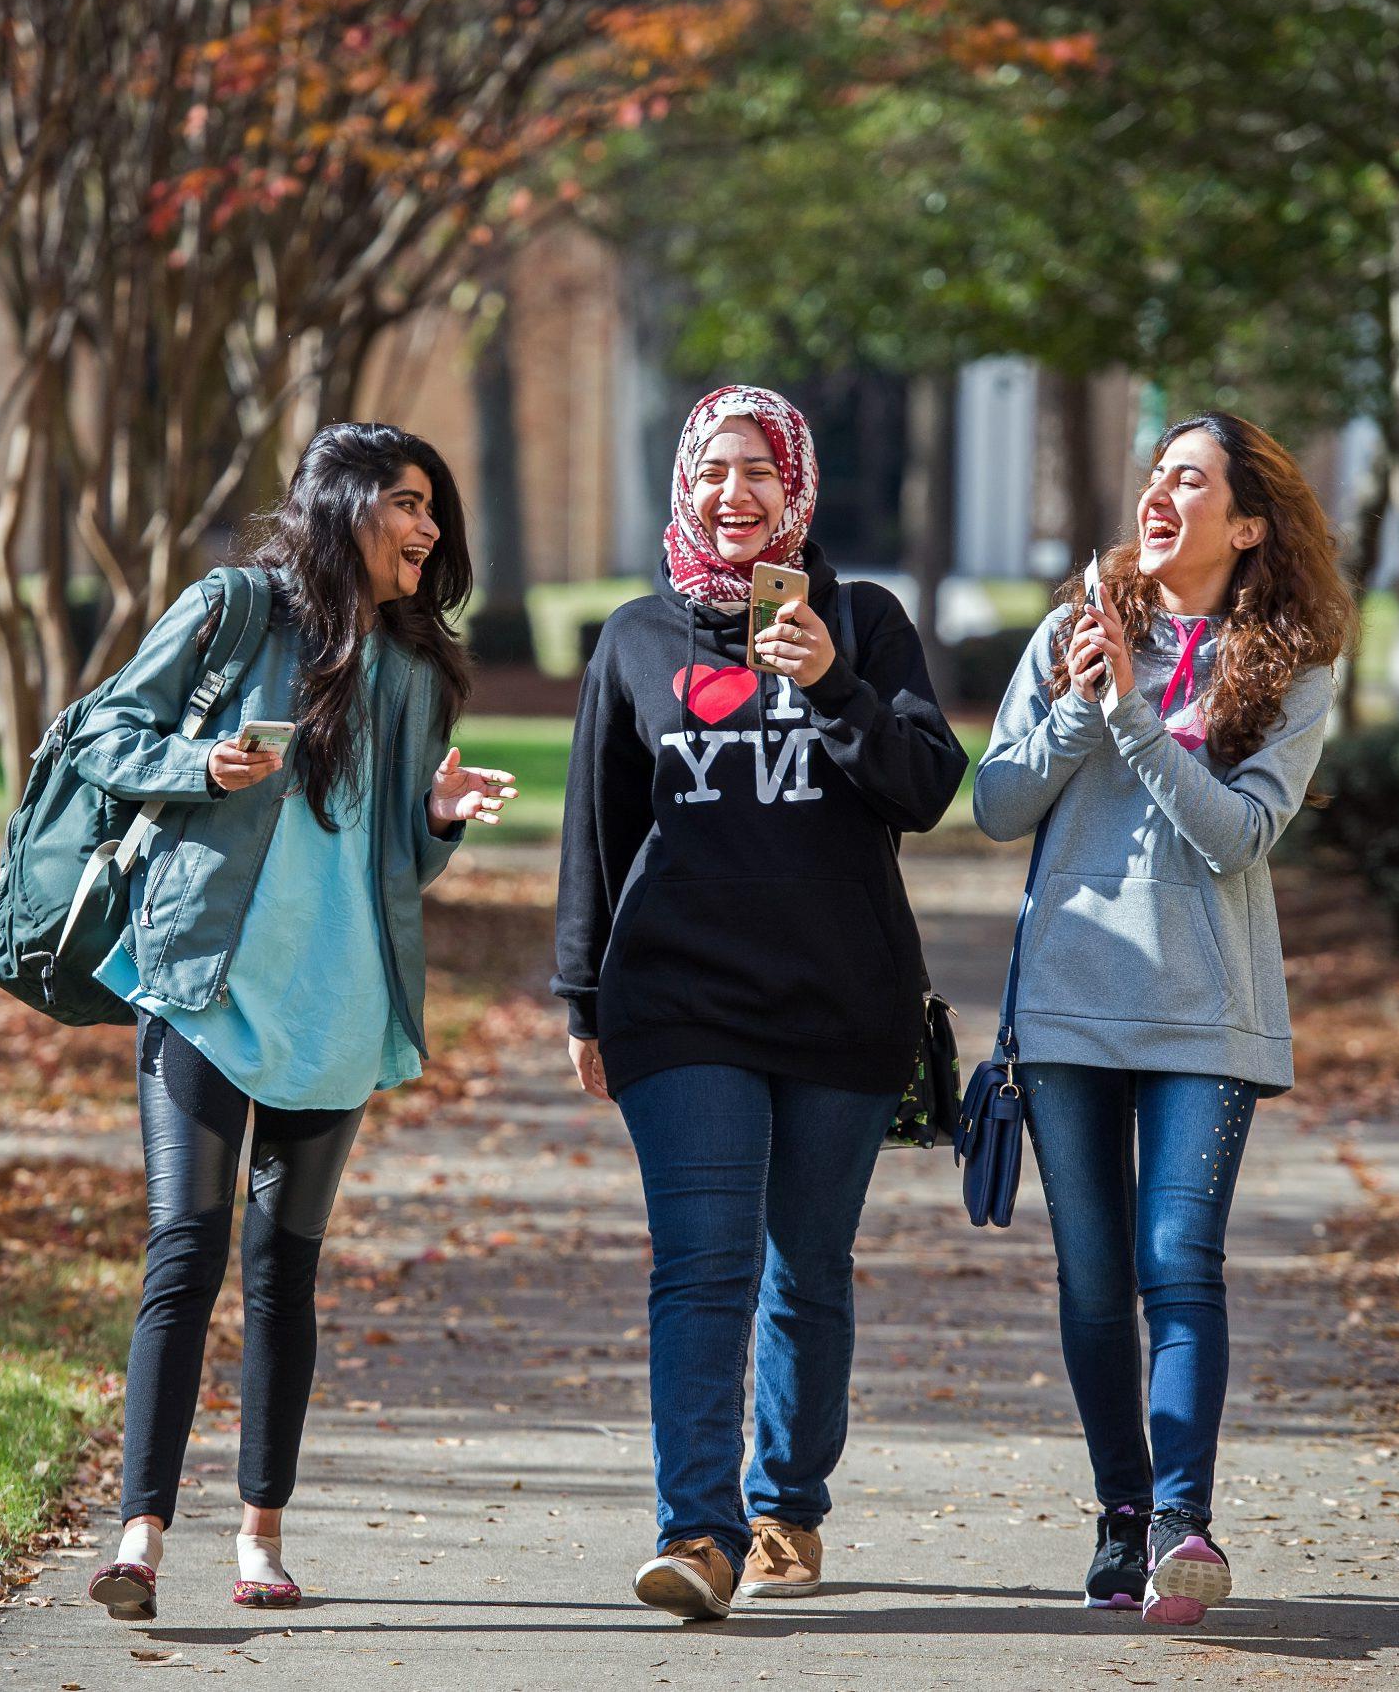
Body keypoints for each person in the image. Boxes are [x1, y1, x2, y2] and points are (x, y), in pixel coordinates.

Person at [72, 423, 518, 1621]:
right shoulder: (234, 610)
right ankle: (137, 1540)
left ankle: (259, 1541)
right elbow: (98, 734)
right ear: (346, 506)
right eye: (410, 504)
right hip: (207, 982)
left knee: (284, 1273)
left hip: (337, 999)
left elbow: (394, 866)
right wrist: (194, 761)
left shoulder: (419, 667)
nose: (429, 529)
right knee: (186, 1253)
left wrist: (438, 811)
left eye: (437, 509)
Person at [553, 384, 968, 1621]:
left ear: (795, 485)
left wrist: (836, 683)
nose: (735, 494)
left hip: (842, 1004)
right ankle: (697, 1532)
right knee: (700, 1265)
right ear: (685, 484)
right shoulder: (635, 637)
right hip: (679, 1004)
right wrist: (583, 1000)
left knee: (808, 1268)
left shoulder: (866, 622)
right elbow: (598, 830)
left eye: (759, 472)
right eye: (714, 471)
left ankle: (787, 1501)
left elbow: (924, 789)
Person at [972, 411, 1354, 1625]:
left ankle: (1186, 1526)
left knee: (1176, 1266)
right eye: (1154, 474)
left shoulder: (1289, 665)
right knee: (1092, 1283)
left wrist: (1135, 716)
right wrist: (1089, 696)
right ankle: (1120, 1521)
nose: (1160, 493)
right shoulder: (1070, 632)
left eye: (1189, 479)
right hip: (1071, 1007)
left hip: (1205, 1012)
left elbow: (1240, 834)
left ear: (1244, 525)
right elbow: (992, 803)